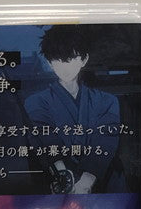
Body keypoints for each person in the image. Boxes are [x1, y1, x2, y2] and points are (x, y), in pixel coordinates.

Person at [25, 25, 124, 193]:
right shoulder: (35, 102)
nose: (65, 67)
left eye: (71, 58)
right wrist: (63, 177)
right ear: (49, 62)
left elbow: (106, 142)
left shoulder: (107, 101)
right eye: (58, 60)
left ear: (84, 60)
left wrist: (86, 182)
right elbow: (46, 140)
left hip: (105, 184)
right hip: (60, 183)